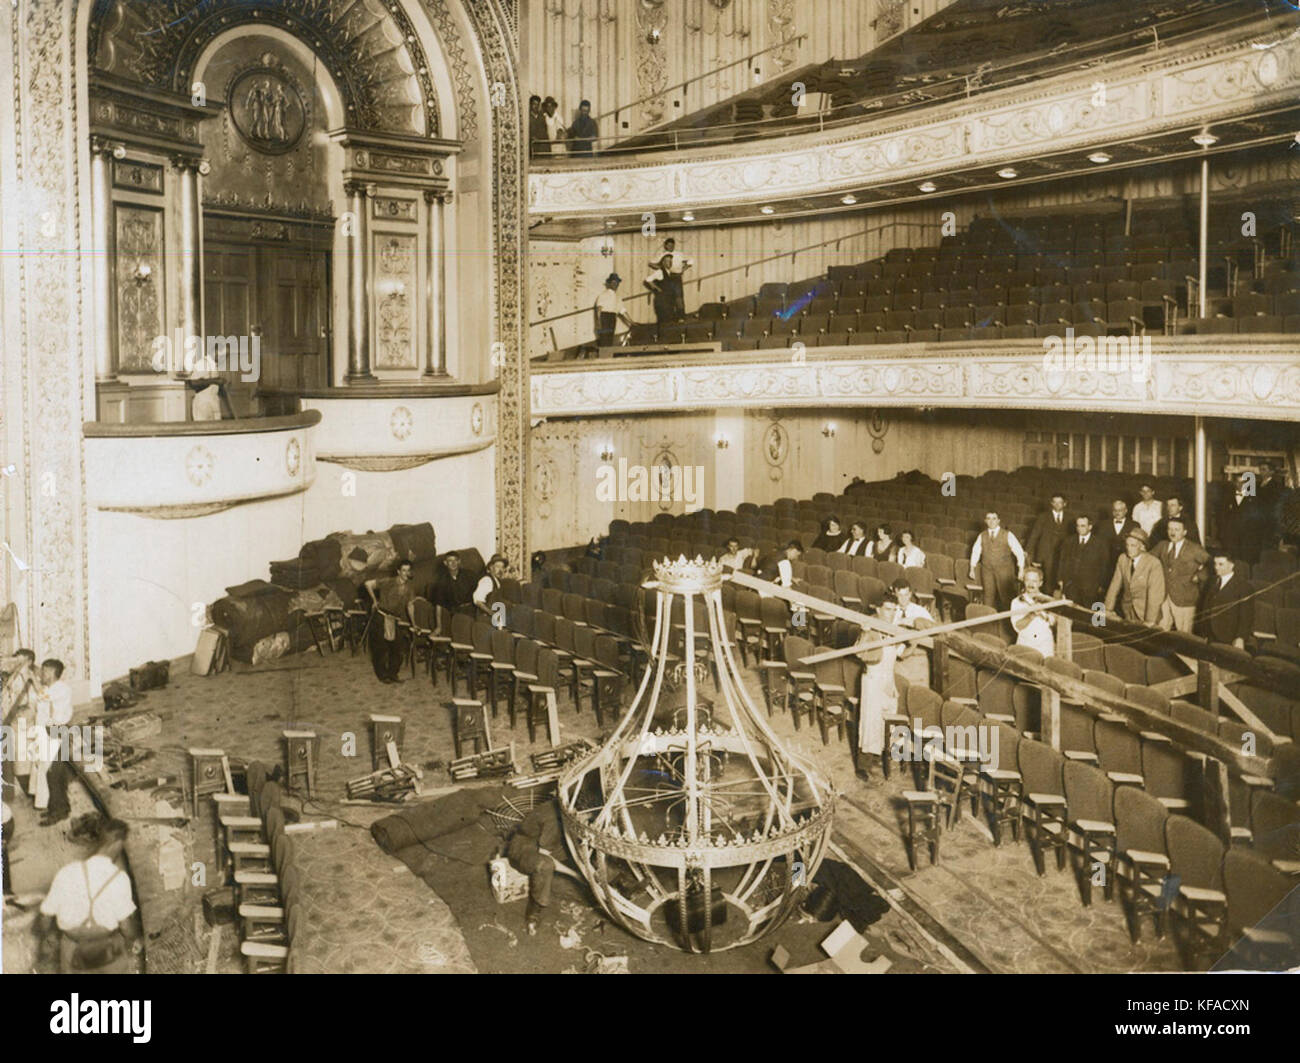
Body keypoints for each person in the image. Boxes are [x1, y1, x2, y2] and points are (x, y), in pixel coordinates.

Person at [37, 819, 141, 973]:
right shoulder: (119, 878)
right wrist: (135, 939)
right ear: (118, 844)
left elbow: (45, 917)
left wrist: (46, 936)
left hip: (72, 949)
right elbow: (126, 925)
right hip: (108, 950)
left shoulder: (67, 872)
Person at [854, 602, 900, 778]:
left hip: (888, 678)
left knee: (887, 720)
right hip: (872, 679)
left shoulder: (894, 629)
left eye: (894, 609)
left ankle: (879, 755)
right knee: (869, 722)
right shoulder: (870, 626)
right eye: (888, 609)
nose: (891, 613)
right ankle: (862, 766)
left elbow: (900, 653)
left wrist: (914, 642)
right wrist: (865, 633)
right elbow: (859, 653)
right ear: (878, 609)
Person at [506, 801, 565, 935]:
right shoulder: (554, 819)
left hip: (549, 843)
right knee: (544, 866)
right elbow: (547, 858)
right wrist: (576, 875)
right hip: (523, 848)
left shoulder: (565, 809)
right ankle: (533, 912)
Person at [33, 659, 73, 826]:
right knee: (51, 774)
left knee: (54, 774)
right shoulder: (48, 688)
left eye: (44, 671)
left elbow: (42, 697)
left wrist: (30, 676)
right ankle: (58, 808)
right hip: (48, 732)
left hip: (58, 731)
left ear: (51, 672)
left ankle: (59, 812)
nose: (41, 674)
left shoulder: (61, 689)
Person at [1152, 517, 1210, 633]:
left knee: (1184, 636)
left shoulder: (1194, 549)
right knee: (1161, 632)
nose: (1172, 532)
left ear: (1184, 532)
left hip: (1185, 598)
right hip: (1164, 596)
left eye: (1177, 529)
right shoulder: (1162, 545)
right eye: (1170, 529)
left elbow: (1212, 564)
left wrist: (1199, 576)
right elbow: (1147, 559)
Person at [365, 559, 416, 684]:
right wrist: (374, 600)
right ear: (398, 571)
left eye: (408, 570)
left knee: (398, 648)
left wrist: (414, 623)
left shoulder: (409, 588)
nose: (406, 573)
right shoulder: (388, 582)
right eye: (403, 570)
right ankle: (383, 676)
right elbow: (368, 584)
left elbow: (410, 606)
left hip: (394, 619)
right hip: (381, 616)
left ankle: (393, 674)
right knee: (380, 649)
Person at [1104, 528, 1165, 625]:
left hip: (1146, 612)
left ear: (1142, 547)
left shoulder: (1153, 563)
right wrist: (1107, 609)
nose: (1129, 548)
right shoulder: (1122, 558)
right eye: (1127, 545)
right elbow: (1114, 585)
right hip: (1127, 610)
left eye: (1133, 545)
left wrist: (1150, 620)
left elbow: (1155, 595)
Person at [969, 511, 1025, 612]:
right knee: (988, 597)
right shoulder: (982, 535)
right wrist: (972, 568)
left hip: (1005, 570)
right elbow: (976, 551)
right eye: (988, 518)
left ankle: (1008, 623)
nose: (991, 521)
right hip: (987, 570)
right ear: (985, 521)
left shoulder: (1007, 534)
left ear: (998, 521)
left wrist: (1021, 569)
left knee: (1006, 597)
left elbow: (1019, 552)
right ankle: (988, 623)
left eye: (994, 518)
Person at [2, 649, 38, 803]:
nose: (16, 662)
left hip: (23, 722)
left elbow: (31, 703)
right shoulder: (17, 675)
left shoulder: (28, 678)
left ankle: (33, 793)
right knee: (17, 761)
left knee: (23, 761)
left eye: (20, 660)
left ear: (29, 661)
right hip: (15, 722)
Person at [1196, 553, 1253, 649]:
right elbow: (1206, 606)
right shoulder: (1212, 581)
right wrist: (1204, 632)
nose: (1216, 567)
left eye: (1221, 564)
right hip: (1209, 635)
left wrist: (1240, 638)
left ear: (1231, 565)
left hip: (1228, 637)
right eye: (1215, 563)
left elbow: (1246, 617)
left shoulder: (1243, 586)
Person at [1056, 515, 1109, 606]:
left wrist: (1101, 585)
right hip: (1071, 586)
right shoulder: (1068, 541)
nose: (1079, 528)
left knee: (1086, 614)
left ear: (1090, 527)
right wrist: (1060, 579)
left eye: (1083, 526)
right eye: (1078, 525)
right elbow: (1062, 561)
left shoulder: (1100, 544)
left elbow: (1104, 566)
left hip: (1090, 588)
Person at [1025, 493, 1071, 592]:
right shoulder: (1043, 517)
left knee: (1059, 583)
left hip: (1062, 556)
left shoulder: (1070, 518)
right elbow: (1035, 535)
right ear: (1051, 503)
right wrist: (1028, 551)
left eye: (1060, 502)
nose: (1057, 505)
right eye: (1055, 502)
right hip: (1046, 555)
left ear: (1065, 504)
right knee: (1047, 583)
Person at [1010, 566, 1056, 657]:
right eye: (1028, 580)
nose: (1031, 584)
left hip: (1045, 645)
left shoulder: (1049, 601)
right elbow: (1018, 626)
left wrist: (1047, 614)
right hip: (1025, 644)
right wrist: (1032, 614)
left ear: (1040, 583)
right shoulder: (1017, 601)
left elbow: (1054, 622)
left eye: (1034, 581)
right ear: (1024, 581)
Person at [652, 238, 692, 322]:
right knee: (668, 298)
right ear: (665, 246)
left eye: (673, 245)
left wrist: (683, 269)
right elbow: (651, 263)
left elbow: (691, 261)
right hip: (667, 277)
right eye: (669, 245)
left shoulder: (679, 254)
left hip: (676, 276)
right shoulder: (662, 255)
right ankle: (671, 318)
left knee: (679, 297)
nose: (671, 247)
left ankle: (681, 317)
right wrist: (662, 269)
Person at [593, 273, 633, 350]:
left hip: (612, 318)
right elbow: (599, 310)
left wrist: (631, 321)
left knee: (610, 339)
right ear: (609, 283)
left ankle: (607, 358)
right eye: (613, 282)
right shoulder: (603, 295)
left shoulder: (618, 297)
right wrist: (598, 322)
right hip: (604, 318)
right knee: (604, 339)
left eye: (617, 283)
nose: (615, 284)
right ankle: (603, 358)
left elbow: (623, 311)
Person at [433, 552, 477, 617]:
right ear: (445, 563)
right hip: (456, 612)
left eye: (455, 560)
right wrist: (438, 626)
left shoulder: (469, 574)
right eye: (450, 561)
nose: (453, 563)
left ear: (459, 561)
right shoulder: (442, 580)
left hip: (472, 608)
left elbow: (479, 593)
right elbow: (439, 604)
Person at [644, 253, 679, 327]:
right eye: (667, 261)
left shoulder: (669, 272)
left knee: (670, 321)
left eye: (670, 261)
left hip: (669, 301)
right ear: (663, 262)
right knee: (663, 322)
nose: (669, 263)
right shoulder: (660, 272)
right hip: (662, 301)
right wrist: (657, 289)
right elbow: (648, 280)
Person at [1103, 499, 1140, 566]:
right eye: (1115, 510)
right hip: (1107, 562)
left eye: (1120, 510)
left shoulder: (1134, 525)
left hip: (1126, 561)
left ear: (1125, 511)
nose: (1117, 513)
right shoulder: (1104, 525)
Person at [474, 554, 509, 618]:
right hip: (485, 617)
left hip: (497, 613)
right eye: (497, 566)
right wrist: (491, 613)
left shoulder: (497, 581)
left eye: (502, 567)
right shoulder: (487, 580)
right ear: (491, 567)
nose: (500, 570)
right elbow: (478, 601)